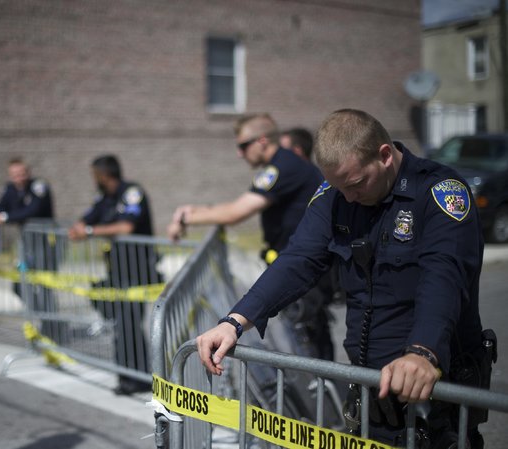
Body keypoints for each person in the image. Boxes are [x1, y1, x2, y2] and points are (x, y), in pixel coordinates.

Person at [196, 109, 491, 447]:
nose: (349, 197)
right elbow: (298, 260)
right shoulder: (337, 195)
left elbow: (444, 277)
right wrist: (234, 321)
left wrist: (423, 353)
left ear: (383, 156)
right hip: (371, 393)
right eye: (339, 187)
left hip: (435, 391)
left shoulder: (439, 193)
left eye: (355, 185)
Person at [167, 113, 335, 361]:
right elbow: (237, 205)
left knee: (309, 348)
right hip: (301, 266)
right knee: (307, 342)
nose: (239, 153)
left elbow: (236, 213)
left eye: (243, 145)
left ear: (263, 141)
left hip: (305, 269)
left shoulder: (282, 167)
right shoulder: (282, 164)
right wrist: (194, 210)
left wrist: (185, 219)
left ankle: (324, 395)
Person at [68, 154, 161, 395]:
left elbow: (126, 227)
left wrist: (88, 231)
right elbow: (89, 216)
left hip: (137, 270)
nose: (94, 180)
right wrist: (81, 226)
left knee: (128, 323)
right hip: (117, 270)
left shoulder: (132, 193)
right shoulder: (105, 197)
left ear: (104, 175)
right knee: (120, 321)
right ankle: (130, 376)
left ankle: (136, 378)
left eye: (95, 176)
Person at [0, 157, 57, 336]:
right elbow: (0, 207)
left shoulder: (39, 186)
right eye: (15, 174)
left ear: (28, 172)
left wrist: (3, 218)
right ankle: (43, 317)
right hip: (26, 246)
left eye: (22, 173)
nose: (19, 178)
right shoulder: (10, 190)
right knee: (19, 285)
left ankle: (52, 329)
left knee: (44, 285)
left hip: (45, 243)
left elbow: (32, 210)